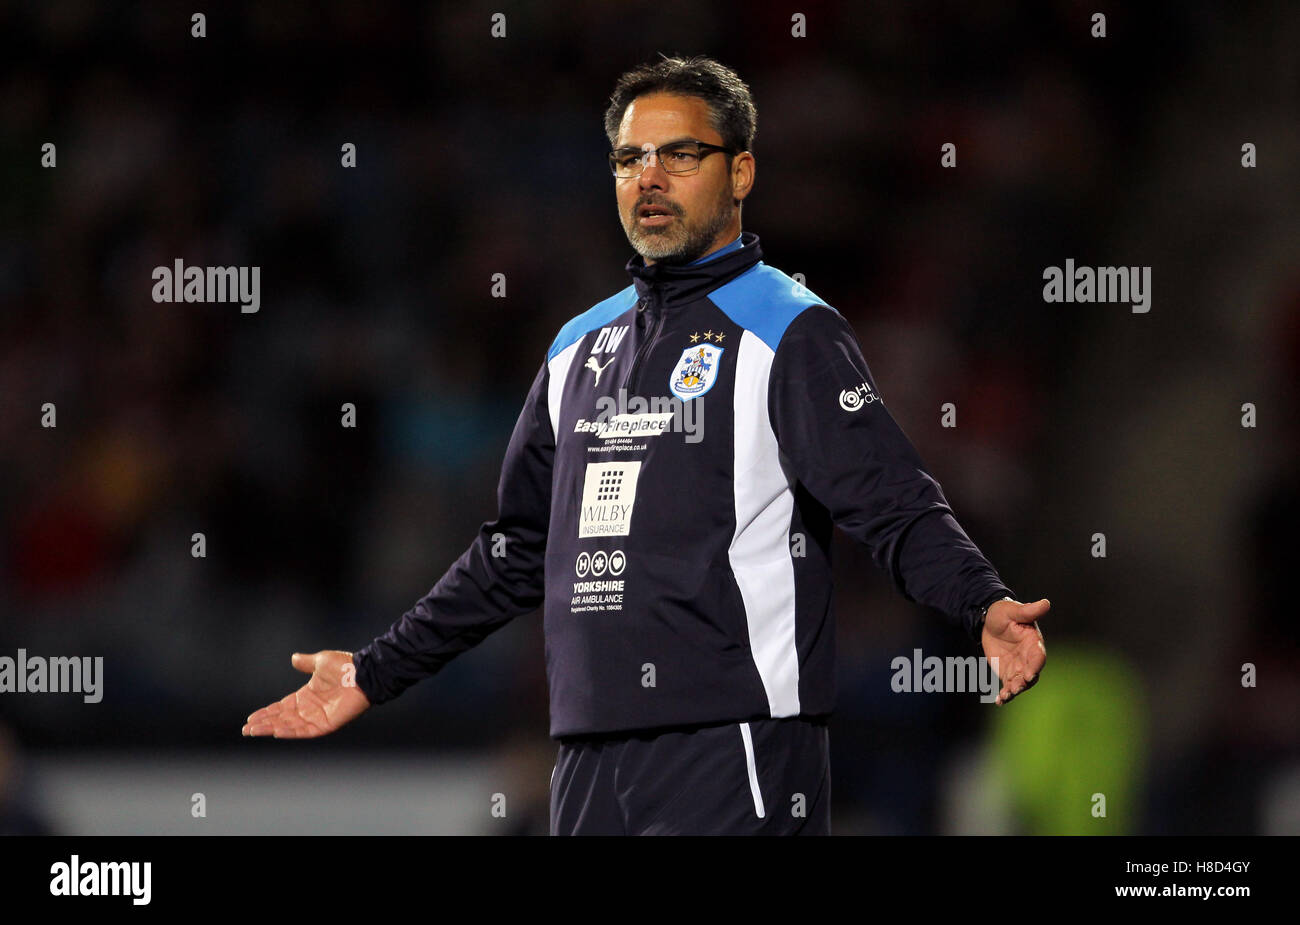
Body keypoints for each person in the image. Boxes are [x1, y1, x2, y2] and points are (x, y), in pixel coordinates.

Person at [242, 55, 1049, 835]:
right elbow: (516, 550)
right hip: (590, 752)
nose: (649, 178)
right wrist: (375, 670)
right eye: (629, 158)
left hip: (731, 745)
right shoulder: (575, 348)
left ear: (740, 174)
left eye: (680, 155)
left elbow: (892, 501)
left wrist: (981, 599)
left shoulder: (789, 330)